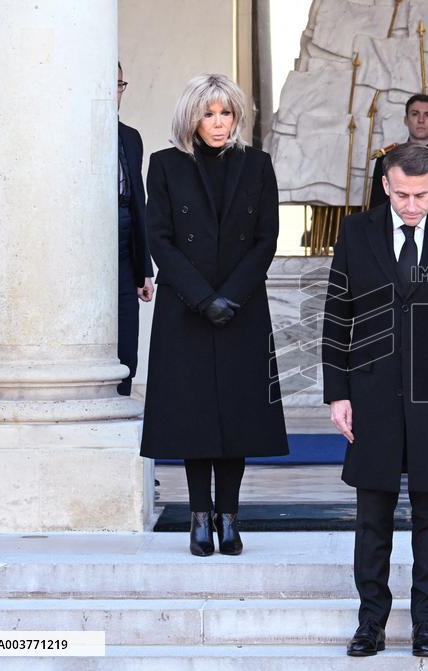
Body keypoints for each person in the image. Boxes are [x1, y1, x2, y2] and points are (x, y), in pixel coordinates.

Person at [322, 142, 428, 657]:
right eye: (401, 194)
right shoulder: (356, 232)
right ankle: (370, 622)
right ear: (385, 185)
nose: (412, 205)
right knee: (371, 511)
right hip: (370, 392)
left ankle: (425, 624)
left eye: (421, 195)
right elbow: (336, 314)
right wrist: (337, 393)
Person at [140, 74, 289, 556]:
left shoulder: (258, 164)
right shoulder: (165, 165)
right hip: (186, 308)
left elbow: (267, 238)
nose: (219, 123)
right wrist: (204, 298)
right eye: (209, 113)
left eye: (226, 113)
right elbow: (159, 238)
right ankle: (199, 516)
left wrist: (232, 296)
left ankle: (230, 516)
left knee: (238, 416)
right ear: (192, 117)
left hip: (242, 308)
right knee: (194, 415)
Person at [116, 62, 154, 396]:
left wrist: (145, 269)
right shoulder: (71, 134)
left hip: (126, 253)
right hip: (85, 249)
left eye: (118, 84)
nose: (114, 92)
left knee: (128, 344)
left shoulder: (130, 137)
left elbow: (139, 203)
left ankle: (123, 406)